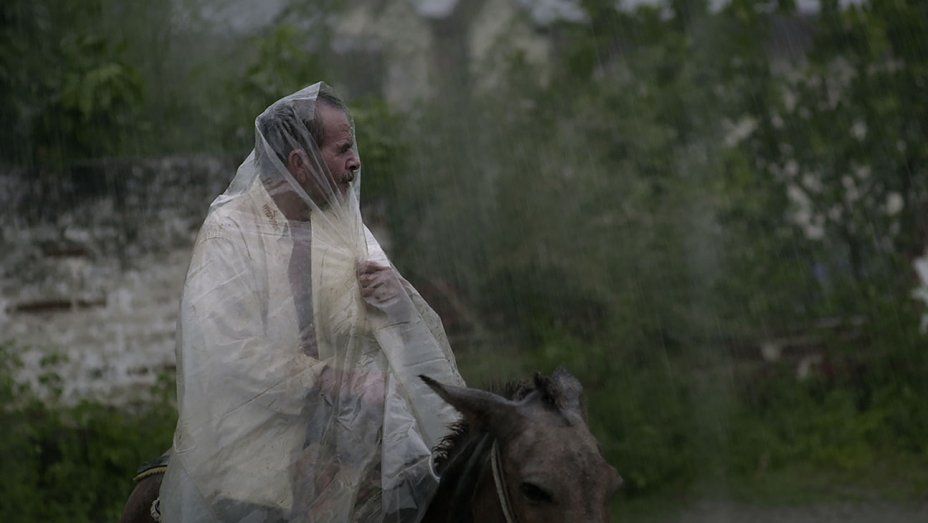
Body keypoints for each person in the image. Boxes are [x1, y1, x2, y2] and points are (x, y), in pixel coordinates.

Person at [158, 83, 464, 522]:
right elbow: (223, 351)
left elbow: (373, 331)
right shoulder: (231, 231)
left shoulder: (341, 228)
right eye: (343, 150)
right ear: (300, 163)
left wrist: (395, 305)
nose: (356, 161)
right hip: (256, 452)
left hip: (345, 449)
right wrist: (333, 380)